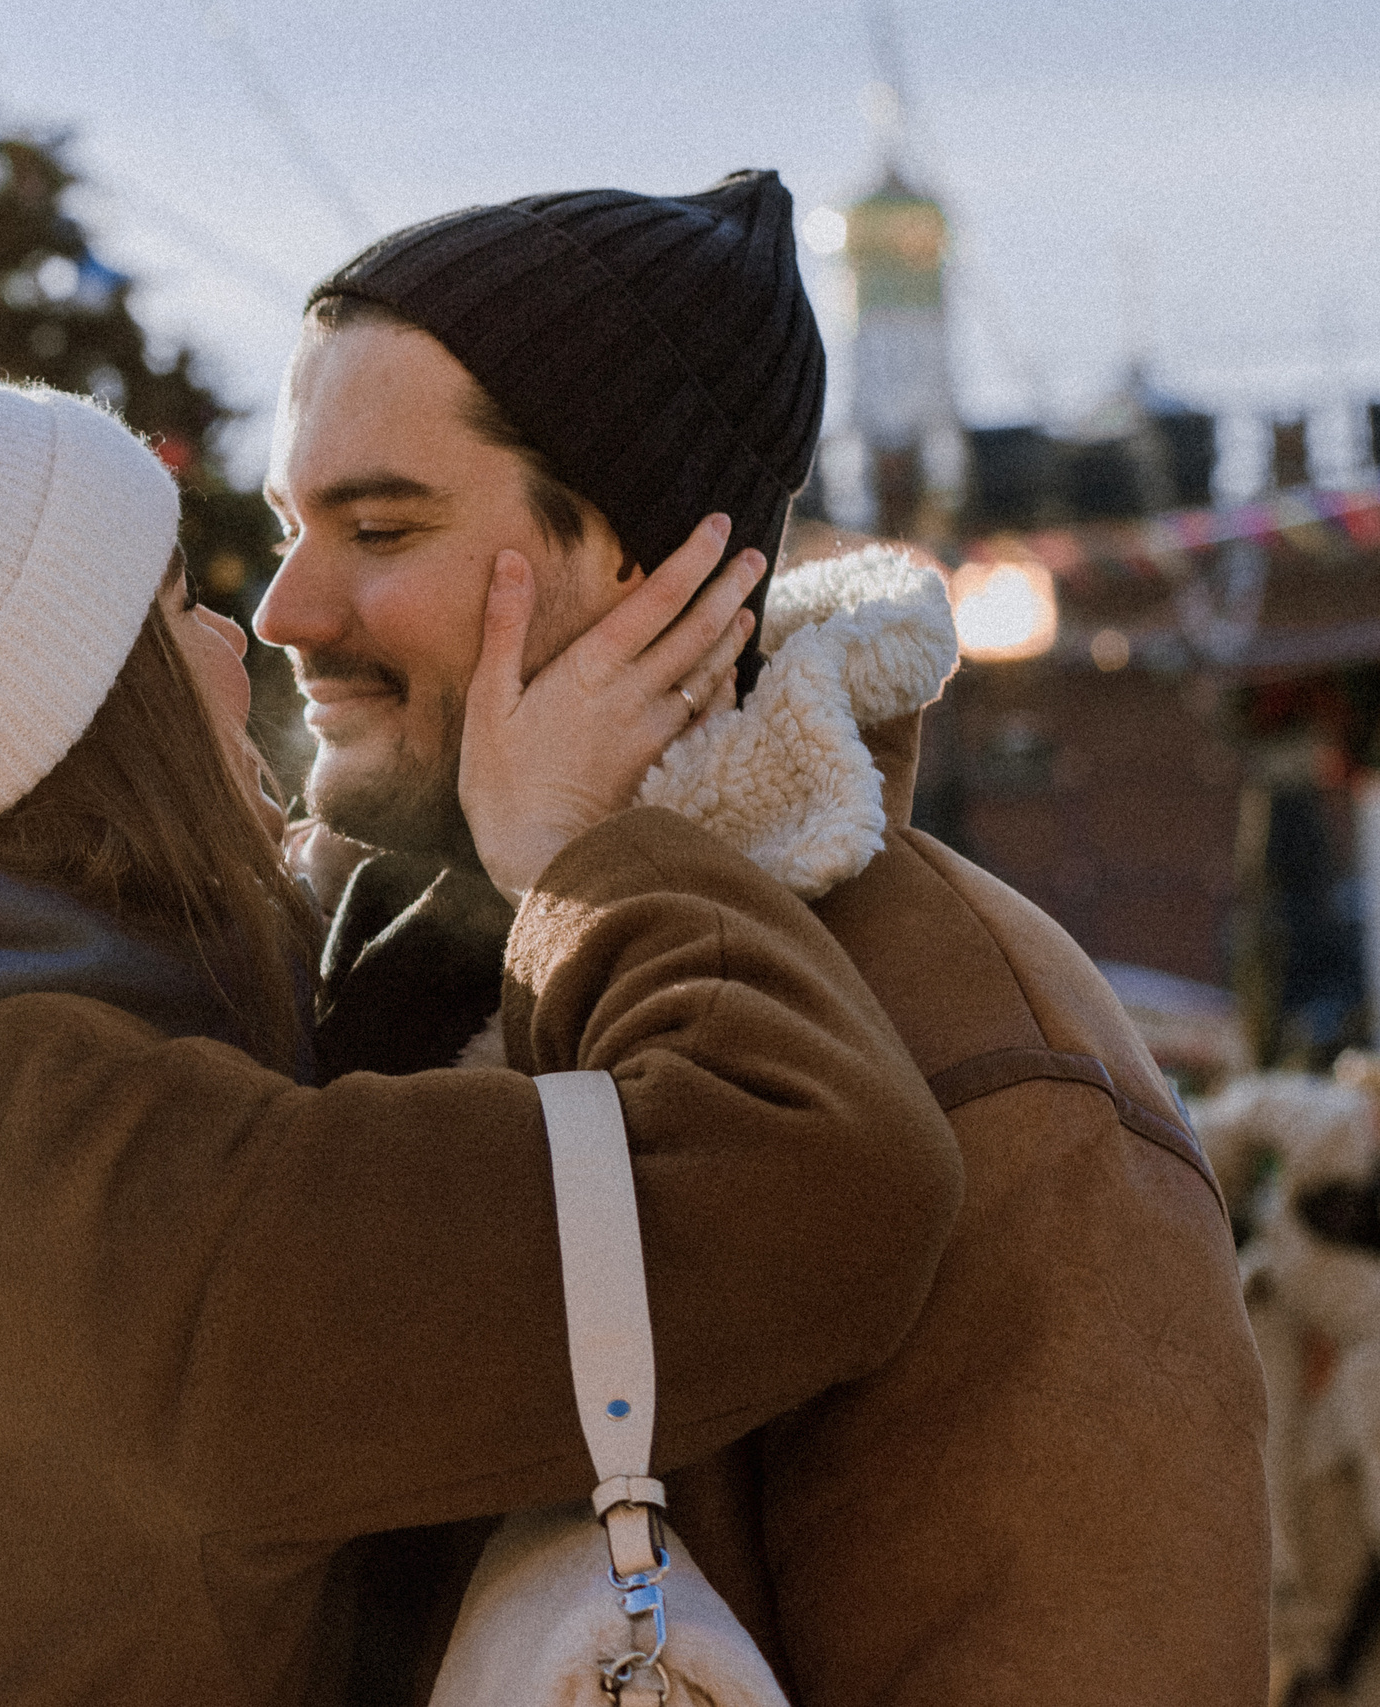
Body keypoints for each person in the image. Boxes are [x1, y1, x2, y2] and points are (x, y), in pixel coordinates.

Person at [0, 330, 962, 1707]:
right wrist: (584, 849)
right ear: (69, 732)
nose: (241, 639)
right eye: (165, 610)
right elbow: (815, 1183)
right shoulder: (69, 1193)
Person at [256, 169, 1269, 1704]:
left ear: (653, 566)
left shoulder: (994, 1077)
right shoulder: (341, 968)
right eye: (291, 525)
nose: (284, 609)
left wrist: (586, 869)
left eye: (380, 527)